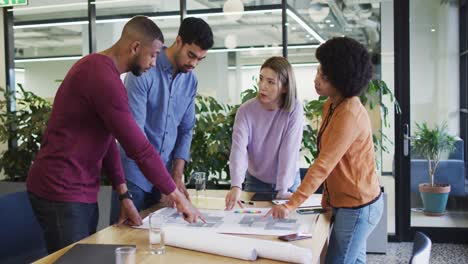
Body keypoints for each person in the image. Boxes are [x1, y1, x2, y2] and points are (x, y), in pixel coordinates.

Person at [26, 16, 203, 254]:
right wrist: (176, 195)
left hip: (82, 189)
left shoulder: (109, 78)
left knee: (87, 256)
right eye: (152, 55)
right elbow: (138, 147)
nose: (153, 63)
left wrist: (123, 193)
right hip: (61, 188)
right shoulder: (98, 74)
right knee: (75, 260)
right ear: (135, 47)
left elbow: (109, 139)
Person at [265, 37, 383, 264]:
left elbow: (323, 164)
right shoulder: (331, 104)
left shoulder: (349, 113)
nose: (316, 79)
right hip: (347, 203)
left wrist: (291, 205)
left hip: (358, 207)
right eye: (319, 71)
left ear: (341, 80)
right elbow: (333, 159)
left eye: (324, 77)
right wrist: (327, 198)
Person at [109, 17, 214, 224]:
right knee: (125, 239)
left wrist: (175, 176)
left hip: (164, 178)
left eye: (200, 59)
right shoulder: (144, 70)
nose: (193, 63)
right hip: (135, 177)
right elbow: (135, 136)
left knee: (160, 244)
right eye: (191, 55)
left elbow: (186, 129)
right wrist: (168, 185)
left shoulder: (190, 80)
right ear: (179, 41)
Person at [225, 56, 304, 210]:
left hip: (288, 183)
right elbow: (238, 149)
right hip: (257, 181)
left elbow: (288, 150)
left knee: (287, 228)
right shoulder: (246, 110)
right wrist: (235, 185)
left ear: (285, 87)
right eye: (261, 79)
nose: (262, 86)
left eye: (270, 82)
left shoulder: (294, 109)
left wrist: (282, 191)